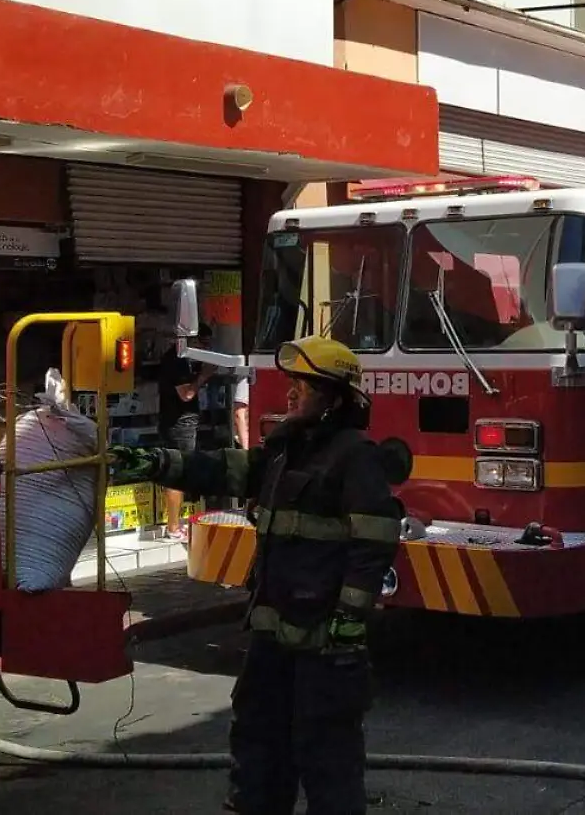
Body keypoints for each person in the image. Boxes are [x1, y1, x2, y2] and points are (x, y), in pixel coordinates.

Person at [109, 337, 402, 815]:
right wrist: (158, 462)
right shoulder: (285, 452)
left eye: (302, 386)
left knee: (326, 757)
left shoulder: (356, 457)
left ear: (334, 399)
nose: (290, 395)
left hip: (325, 646)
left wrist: (349, 617)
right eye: (291, 384)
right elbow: (223, 469)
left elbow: (375, 541)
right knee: (257, 745)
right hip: (272, 638)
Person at [156, 326, 213, 541]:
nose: (206, 349)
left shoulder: (181, 359)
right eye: (204, 344)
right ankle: (173, 527)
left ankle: (173, 523)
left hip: (178, 421)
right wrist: (204, 375)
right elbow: (186, 394)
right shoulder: (177, 360)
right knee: (177, 473)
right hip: (179, 423)